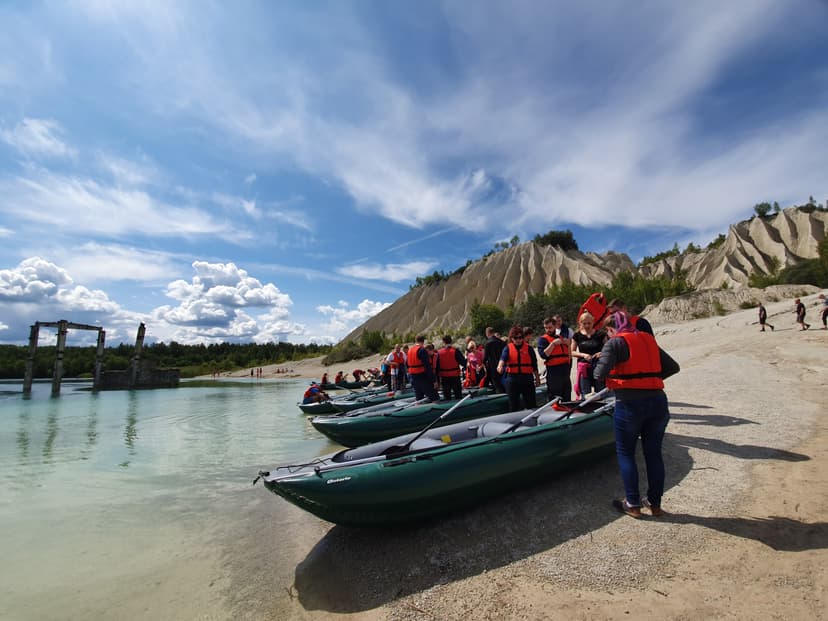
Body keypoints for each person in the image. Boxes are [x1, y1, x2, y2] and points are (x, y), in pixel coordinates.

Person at [594, 311, 679, 519]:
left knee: (626, 453)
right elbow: (672, 367)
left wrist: (625, 379)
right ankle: (655, 503)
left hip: (629, 404)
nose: (609, 334)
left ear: (612, 328)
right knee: (653, 454)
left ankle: (632, 504)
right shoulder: (648, 339)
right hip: (658, 402)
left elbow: (598, 374)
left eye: (608, 330)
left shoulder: (615, 343)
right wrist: (647, 379)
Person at [497, 326, 540, 411]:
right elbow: (503, 359)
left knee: (531, 404)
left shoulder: (529, 349)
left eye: (520, 337)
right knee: (513, 405)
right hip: (513, 380)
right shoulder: (508, 348)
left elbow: (534, 365)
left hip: (527, 380)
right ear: (511, 338)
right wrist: (500, 366)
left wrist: (537, 379)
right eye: (515, 338)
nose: (518, 340)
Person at [571, 311, 607, 398]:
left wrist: (601, 353)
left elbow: (608, 349)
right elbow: (572, 352)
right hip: (584, 367)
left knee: (601, 392)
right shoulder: (577, 335)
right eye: (584, 323)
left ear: (593, 322)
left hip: (599, 366)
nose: (587, 326)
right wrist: (583, 355)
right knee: (585, 393)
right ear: (580, 323)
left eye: (589, 323)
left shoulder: (601, 334)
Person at [536, 316, 572, 401]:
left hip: (565, 371)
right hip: (553, 372)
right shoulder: (543, 340)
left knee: (567, 396)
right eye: (546, 328)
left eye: (550, 327)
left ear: (555, 326)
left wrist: (568, 344)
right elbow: (543, 355)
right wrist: (553, 344)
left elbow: (568, 353)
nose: (548, 330)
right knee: (554, 397)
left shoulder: (561, 338)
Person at [407, 335, 440, 401]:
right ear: (423, 341)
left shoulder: (410, 350)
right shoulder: (422, 350)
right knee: (435, 397)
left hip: (413, 377)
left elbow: (407, 364)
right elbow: (427, 366)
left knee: (419, 397)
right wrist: (434, 381)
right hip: (422, 376)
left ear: (415, 341)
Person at [437, 335, 467, 401]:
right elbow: (463, 363)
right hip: (455, 376)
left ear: (443, 342)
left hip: (444, 377)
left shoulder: (439, 353)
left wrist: (437, 380)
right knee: (458, 395)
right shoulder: (455, 351)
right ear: (451, 341)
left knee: (447, 396)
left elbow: (437, 367)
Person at [483, 327, 507, 393]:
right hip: (502, 365)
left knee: (497, 384)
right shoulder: (501, 341)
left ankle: (499, 394)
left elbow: (485, 357)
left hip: (493, 366)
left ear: (487, 333)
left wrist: (483, 364)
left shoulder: (488, 343)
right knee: (503, 382)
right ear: (493, 332)